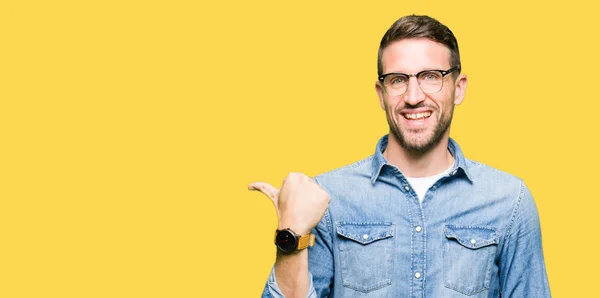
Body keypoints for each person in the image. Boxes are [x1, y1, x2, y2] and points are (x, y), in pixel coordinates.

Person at [249, 15, 550, 298]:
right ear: (381, 93)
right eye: (398, 80)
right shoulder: (328, 199)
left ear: (458, 89)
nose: (414, 96)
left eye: (431, 76)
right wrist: (291, 237)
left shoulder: (509, 201)